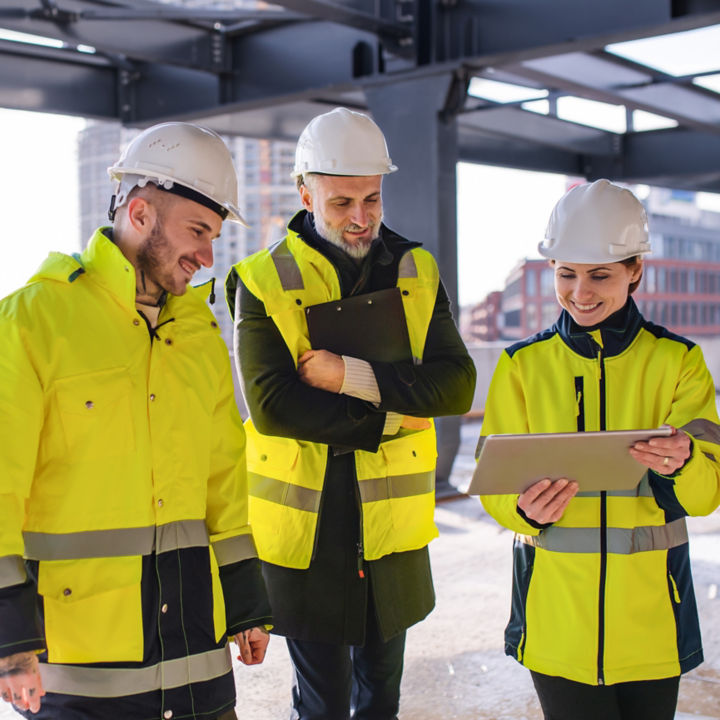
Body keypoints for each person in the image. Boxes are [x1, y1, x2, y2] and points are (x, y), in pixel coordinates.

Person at [0, 122, 272, 720]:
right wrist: (8, 635)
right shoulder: (33, 321)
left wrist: (247, 600)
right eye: (197, 231)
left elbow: (225, 477)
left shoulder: (199, 334)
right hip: (78, 666)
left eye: (215, 236)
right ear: (141, 212)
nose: (207, 256)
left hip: (196, 656)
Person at [226, 106, 476, 719]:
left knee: (382, 701)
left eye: (372, 197)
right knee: (324, 705)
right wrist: (393, 414)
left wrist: (348, 376)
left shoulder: (417, 269)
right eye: (341, 203)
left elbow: (457, 386)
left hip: (391, 529)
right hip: (311, 532)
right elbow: (277, 405)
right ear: (305, 191)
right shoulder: (260, 279)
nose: (360, 218)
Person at [479, 179, 720, 720]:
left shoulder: (679, 362)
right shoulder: (522, 366)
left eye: (600, 275)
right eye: (567, 274)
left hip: (653, 623)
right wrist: (520, 509)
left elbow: (706, 497)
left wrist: (682, 464)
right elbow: (491, 485)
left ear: (636, 270)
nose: (580, 293)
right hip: (555, 623)